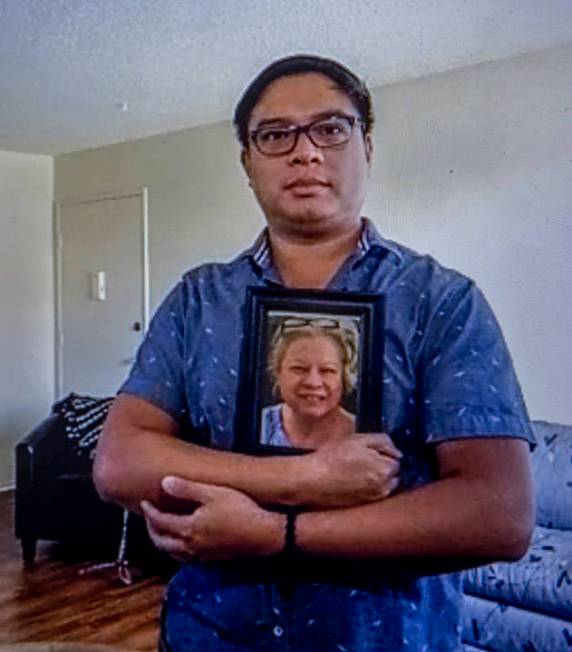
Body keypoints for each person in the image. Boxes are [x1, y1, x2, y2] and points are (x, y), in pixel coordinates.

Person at [94, 54, 535, 652]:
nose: (305, 153)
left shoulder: (442, 300)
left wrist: (278, 533)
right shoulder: (199, 298)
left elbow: (498, 515)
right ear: (248, 164)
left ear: (367, 147)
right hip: (210, 634)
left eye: (331, 128)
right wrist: (309, 475)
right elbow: (120, 462)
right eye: (275, 135)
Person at [261, 319, 357, 448]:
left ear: (344, 376)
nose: (313, 382)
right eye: (299, 369)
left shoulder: (365, 433)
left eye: (327, 370)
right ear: (278, 372)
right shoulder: (255, 425)